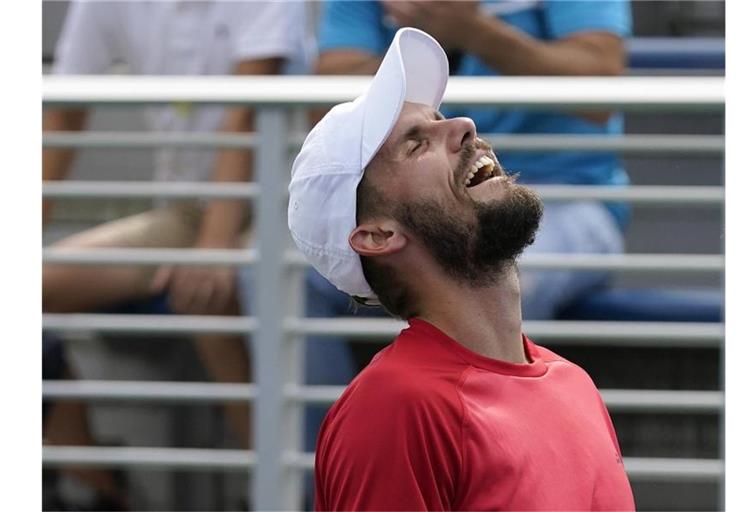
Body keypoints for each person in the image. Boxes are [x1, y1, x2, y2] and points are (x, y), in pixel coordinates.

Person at [288, 27, 635, 510]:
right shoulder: (395, 407)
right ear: (378, 235)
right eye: (416, 143)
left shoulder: (573, 382)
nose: (464, 126)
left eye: (440, 118)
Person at [42, 1, 309, 507]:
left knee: (207, 296)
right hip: (188, 212)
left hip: (288, 204)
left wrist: (214, 247)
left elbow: (248, 114)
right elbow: (65, 109)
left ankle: (279, 495)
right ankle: (95, 487)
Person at [313, 0, 632, 322]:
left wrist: (472, 31)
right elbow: (328, 114)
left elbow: (600, 87)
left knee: (500, 277)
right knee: (289, 276)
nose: (463, 127)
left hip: (569, 197)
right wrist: (427, 42)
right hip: (414, 205)